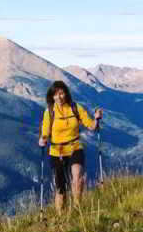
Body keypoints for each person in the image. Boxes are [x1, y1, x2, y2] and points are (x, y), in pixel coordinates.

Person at [38, 80, 102, 212]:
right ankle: (61, 217)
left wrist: (96, 119)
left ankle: (78, 209)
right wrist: (43, 139)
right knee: (60, 189)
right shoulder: (49, 112)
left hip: (75, 147)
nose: (59, 97)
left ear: (66, 94)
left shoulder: (75, 108)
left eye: (61, 93)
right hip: (57, 152)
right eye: (55, 95)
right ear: (52, 96)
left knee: (77, 176)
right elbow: (45, 132)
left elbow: (90, 126)